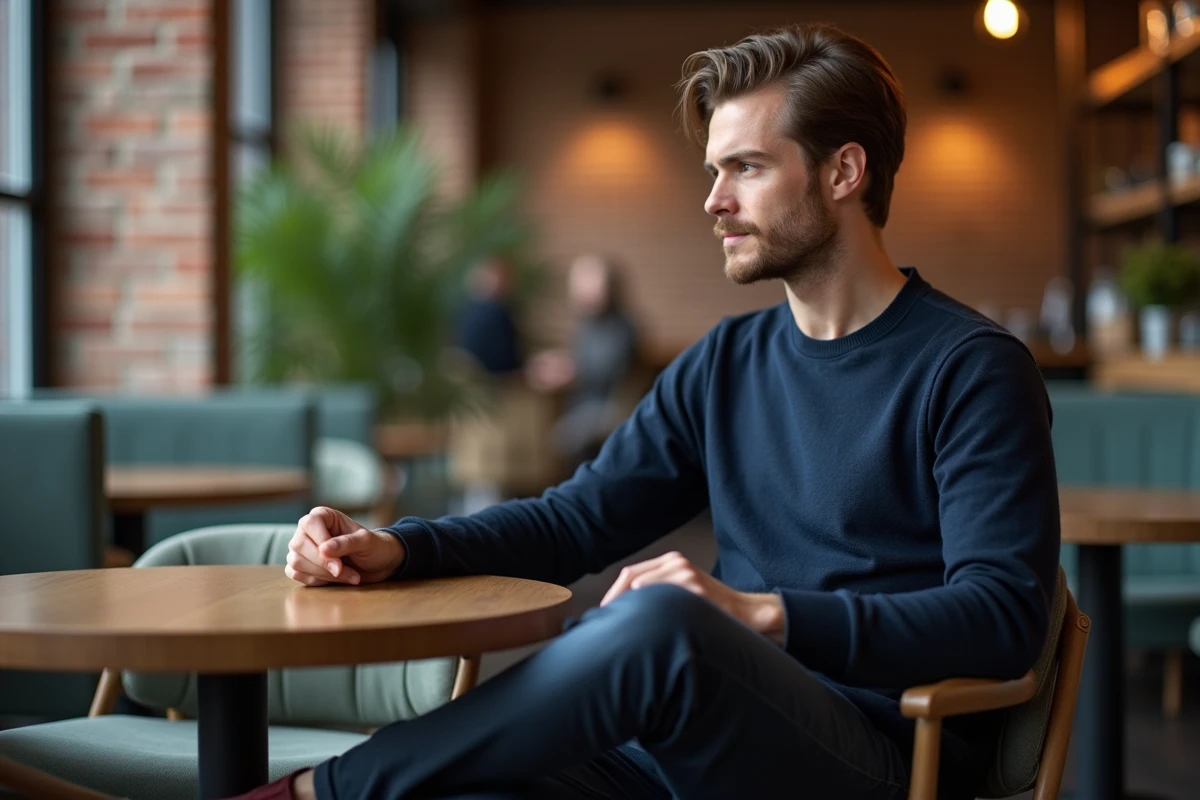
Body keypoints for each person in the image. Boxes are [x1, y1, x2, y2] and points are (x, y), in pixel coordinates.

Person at [236, 22, 1059, 800]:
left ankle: (323, 790)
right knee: (460, 788)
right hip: (691, 742)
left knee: (667, 620)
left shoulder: (971, 370)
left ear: (844, 172)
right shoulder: (723, 364)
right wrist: (399, 546)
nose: (713, 201)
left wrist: (761, 616)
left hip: (881, 756)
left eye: (746, 168)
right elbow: (573, 524)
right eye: (713, 170)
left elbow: (1000, 617)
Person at [528, 253, 642, 468]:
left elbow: (613, 369)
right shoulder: (587, 324)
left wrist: (571, 370)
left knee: (564, 439)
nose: (579, 289)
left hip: (608, 407)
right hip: (582, 405)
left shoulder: (623, 325)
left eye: (587, 281)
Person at [454, 258, 525, 376]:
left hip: (472, 373)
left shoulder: (465, 308)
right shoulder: (497, 311)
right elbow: (506, 355)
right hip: (498, 375)